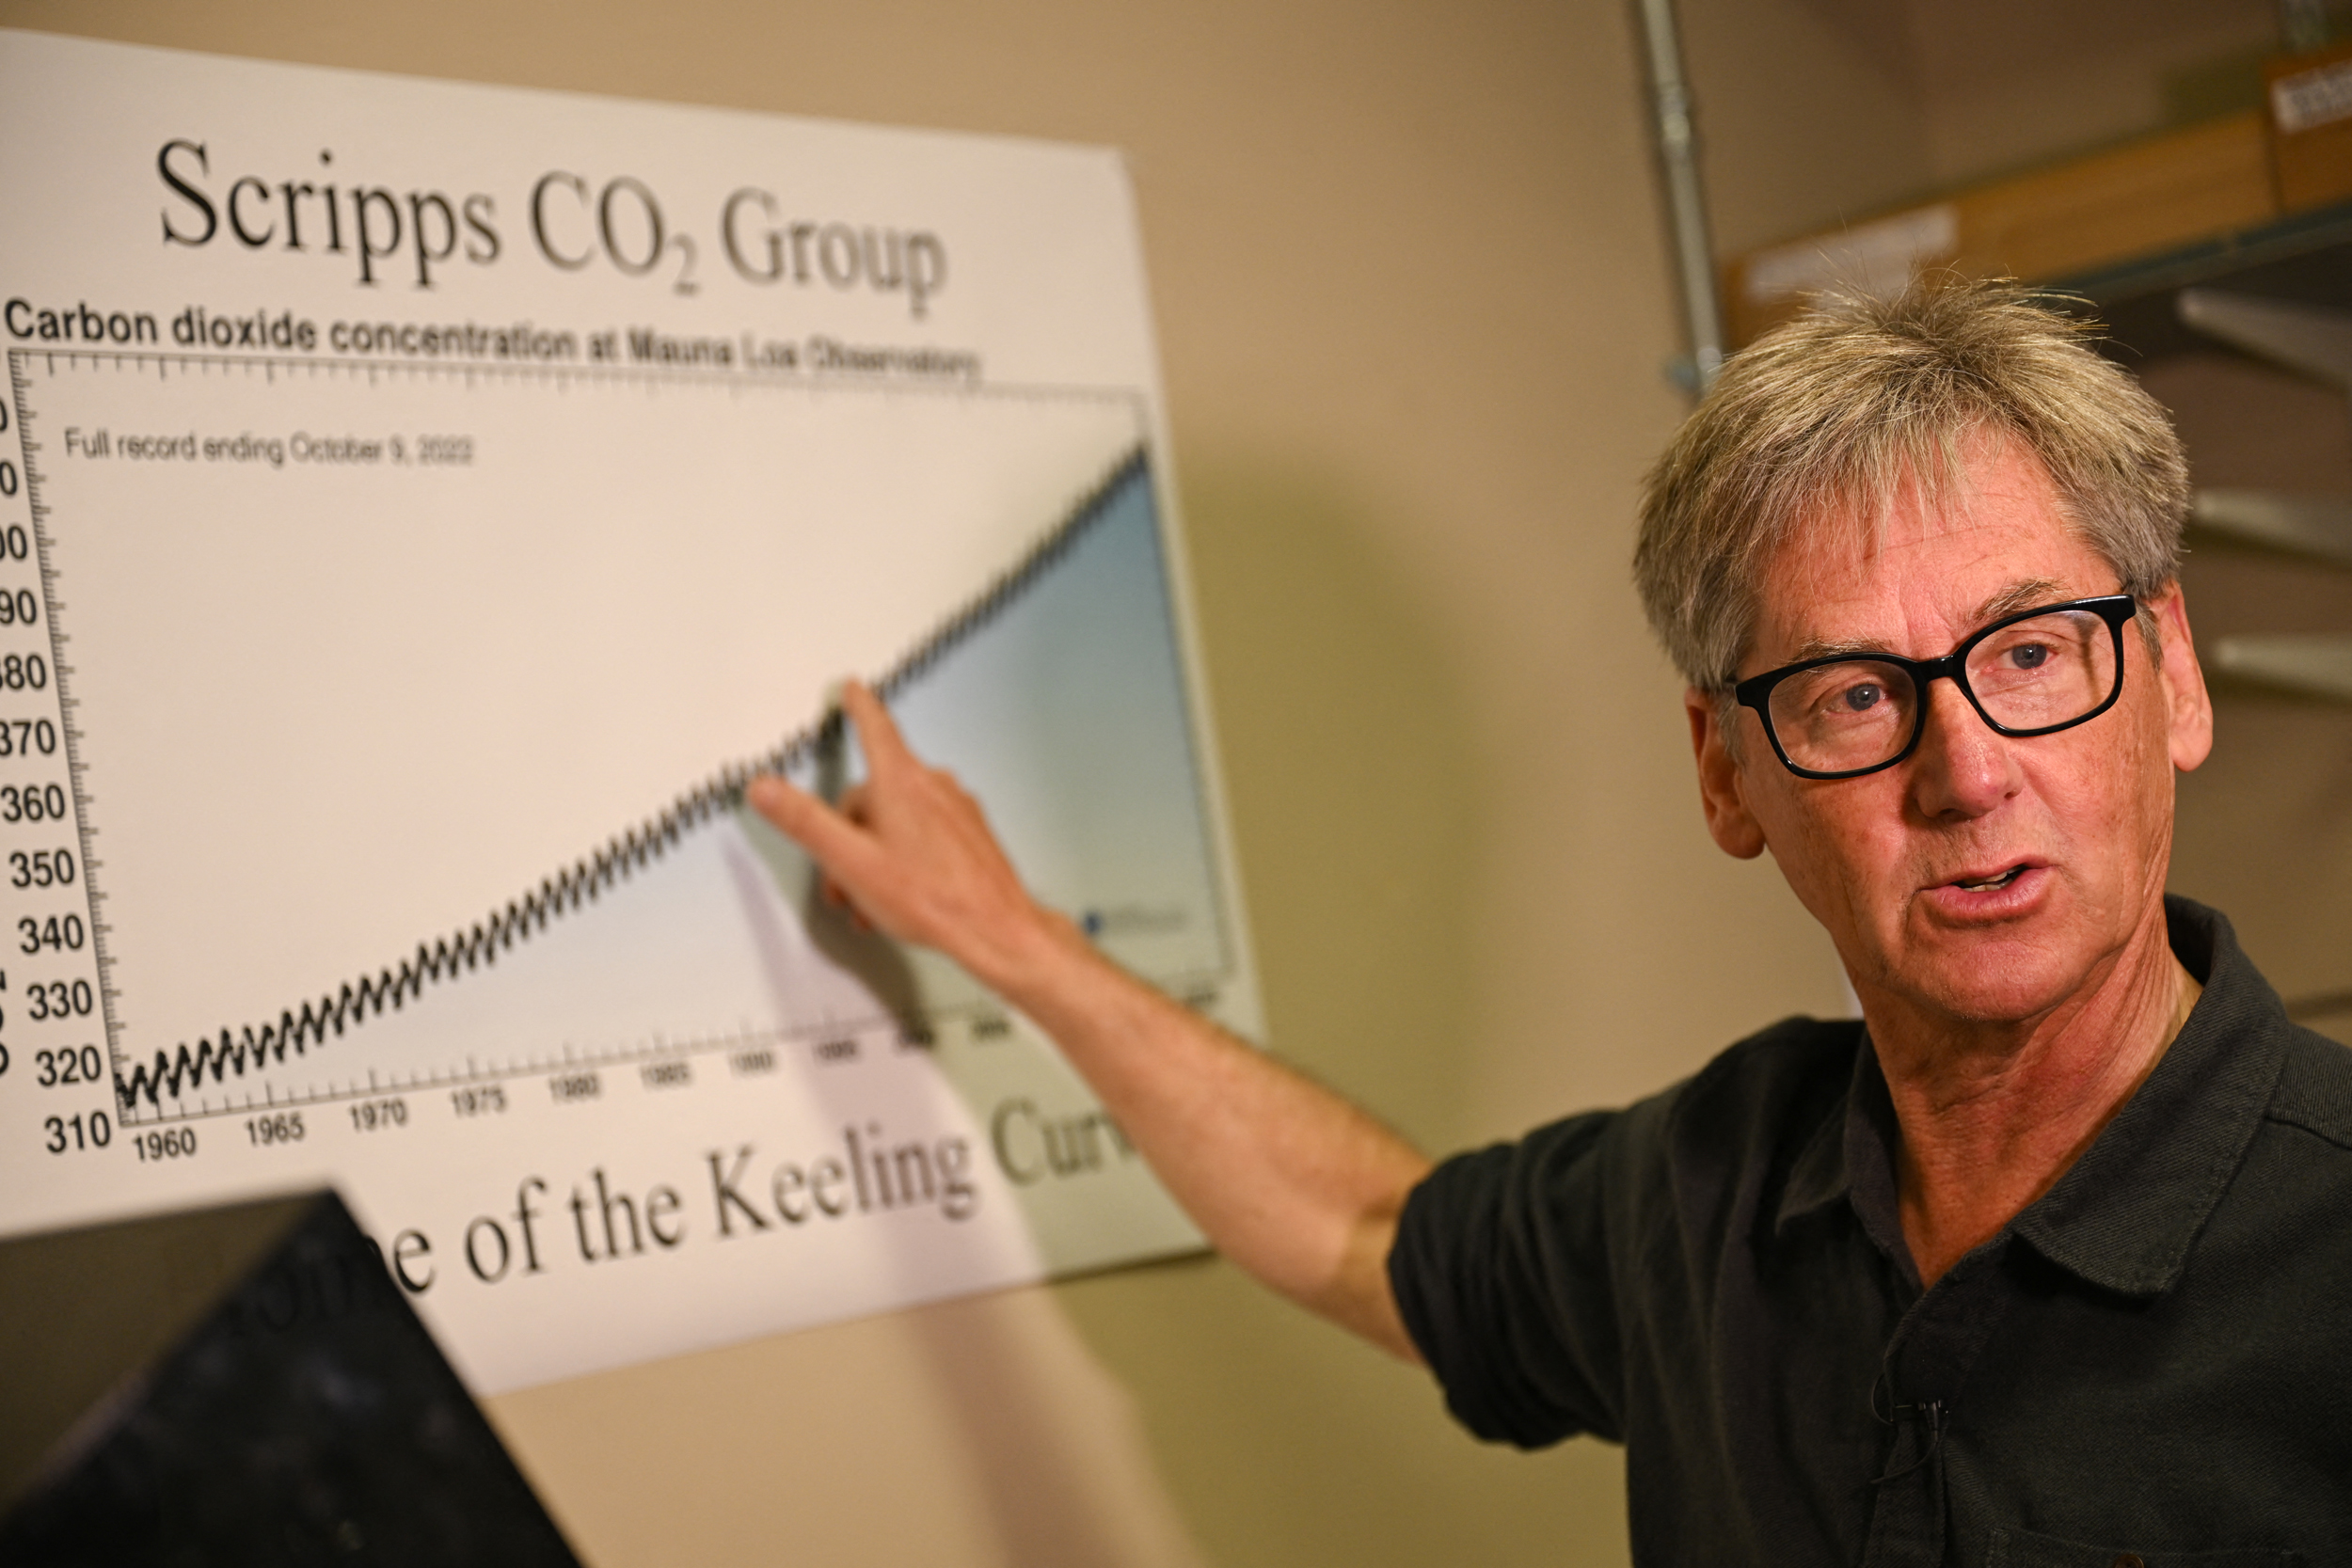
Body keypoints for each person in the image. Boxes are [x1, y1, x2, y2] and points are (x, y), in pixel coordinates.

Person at [747, 277, 2352, 1563]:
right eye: (1854, 692)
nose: (1967, 771)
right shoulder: (1719, 1186)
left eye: (2029, 654)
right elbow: (1363, 1232)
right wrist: (1011, 942)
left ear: (2174, 677)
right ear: (1729, 776)